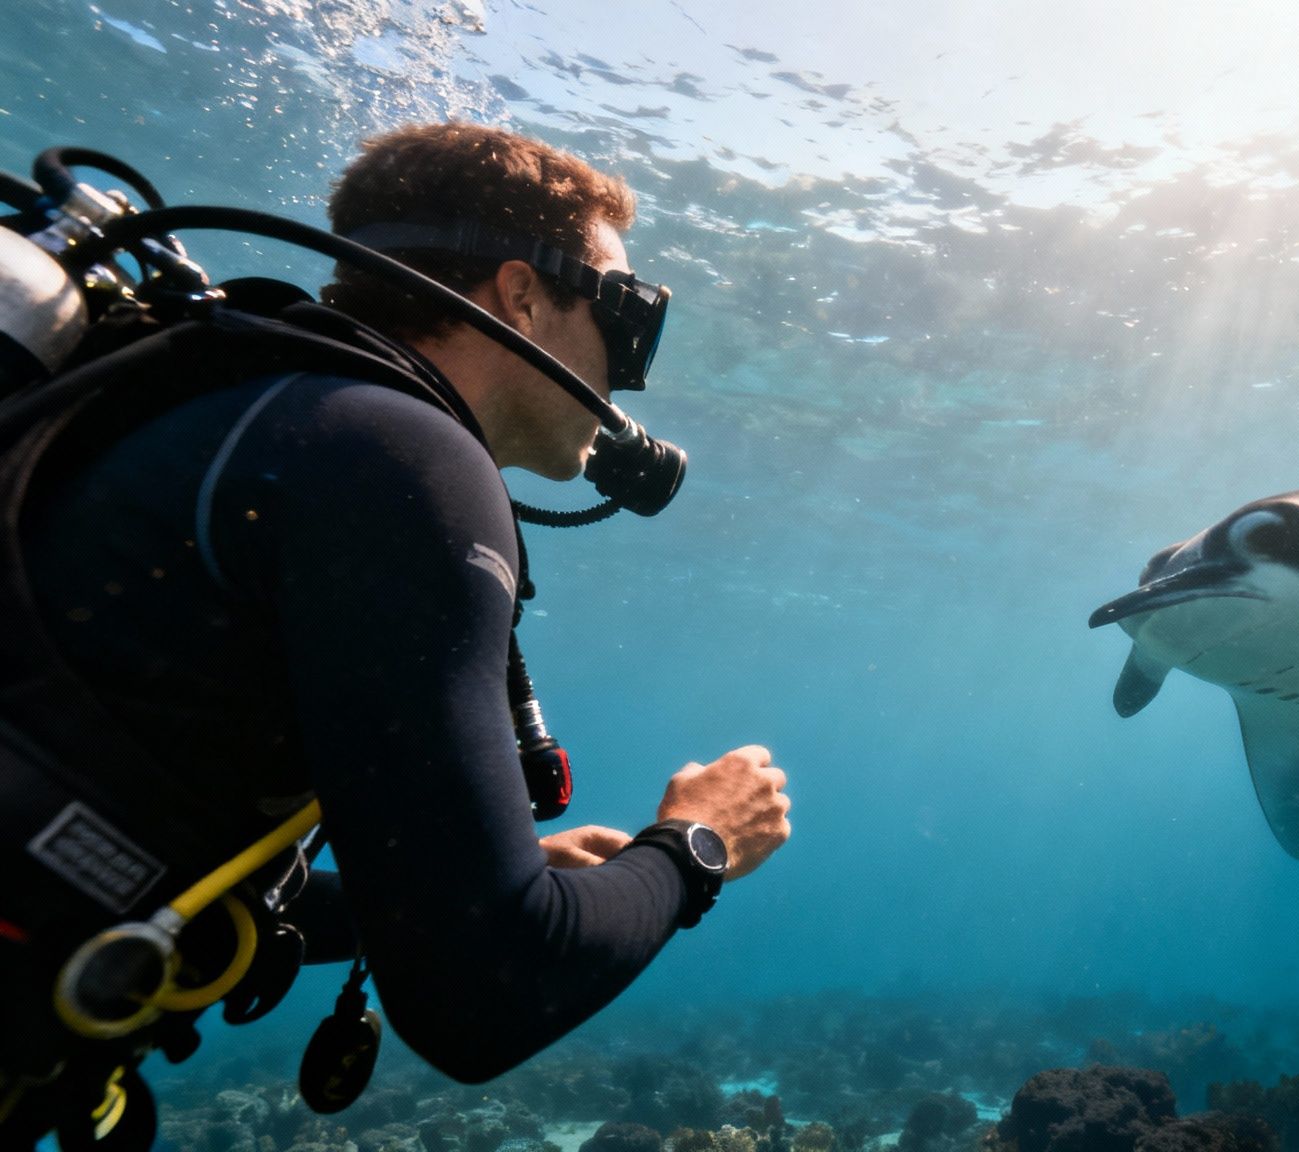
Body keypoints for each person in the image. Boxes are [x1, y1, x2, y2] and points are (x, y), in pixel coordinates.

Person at [6, 122, 792, 1092]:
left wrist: (449, 884)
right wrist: (696, 844)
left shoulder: (277, 406)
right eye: (628, 317)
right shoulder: (404, 461)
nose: (627, 371)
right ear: (522, 295)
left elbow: (123, 847)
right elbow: (485, 997)